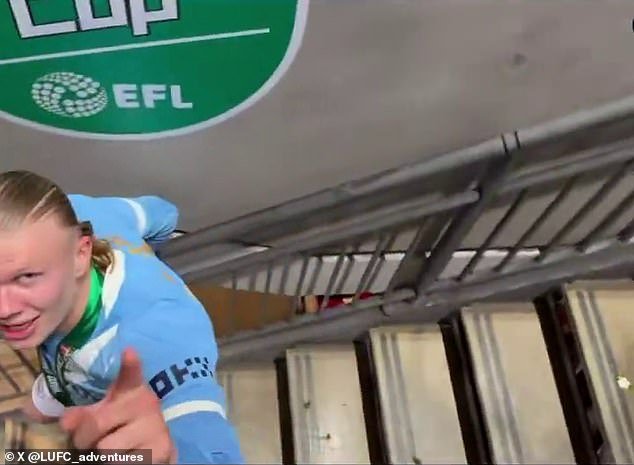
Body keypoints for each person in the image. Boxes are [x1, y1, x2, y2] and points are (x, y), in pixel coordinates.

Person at [0, 170, 244, 464]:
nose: (4, 310)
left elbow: (208, 439)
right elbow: (163, 214)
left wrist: (170, 456)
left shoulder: (159, 336)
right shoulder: (74, 213)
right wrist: (150, 257)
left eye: (27, 276)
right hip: (66, 380)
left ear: (81, 254)